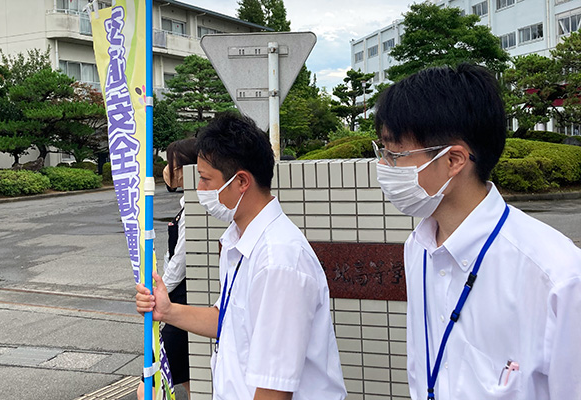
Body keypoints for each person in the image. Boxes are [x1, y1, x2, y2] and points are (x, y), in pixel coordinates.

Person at [372, 63, 581, 400]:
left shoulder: (557, 274)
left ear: (454, 160)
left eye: (396, 154)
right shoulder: (418, 247)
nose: (383, 166)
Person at [136, 112, 347, 400]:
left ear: (241, 182)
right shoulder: (240, 241)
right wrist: (168, 311)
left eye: (206, 179)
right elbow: (226, 320)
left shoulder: (278, 261)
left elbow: (274, 389)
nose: (200, 190)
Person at [138, 138, 197, 400]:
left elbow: (181, 261)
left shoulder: (194, 208)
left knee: (151, 379)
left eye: (171, 163)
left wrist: (159, 289)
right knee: (186, 377)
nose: (166, 169)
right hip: (178, 300)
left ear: (186, 169)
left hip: (179, 301)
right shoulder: (188, 203)